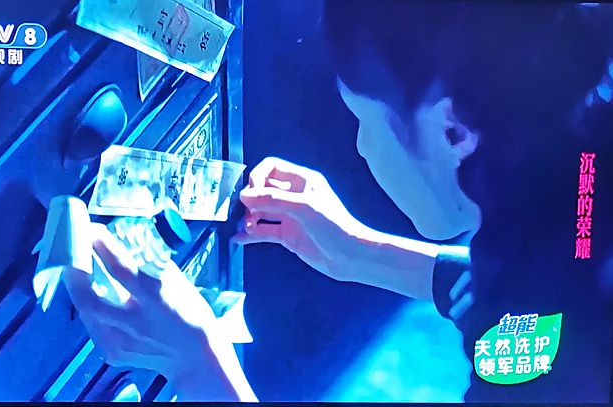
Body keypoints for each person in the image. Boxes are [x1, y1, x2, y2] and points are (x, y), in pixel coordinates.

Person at [62, 1, 613, 402]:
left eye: (363, 121)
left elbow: (539, 316)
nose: (361, 147)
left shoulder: (553, 371)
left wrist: (198, 367)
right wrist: (360, 252)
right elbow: (537, 283)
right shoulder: (582, 164)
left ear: (452, 131)